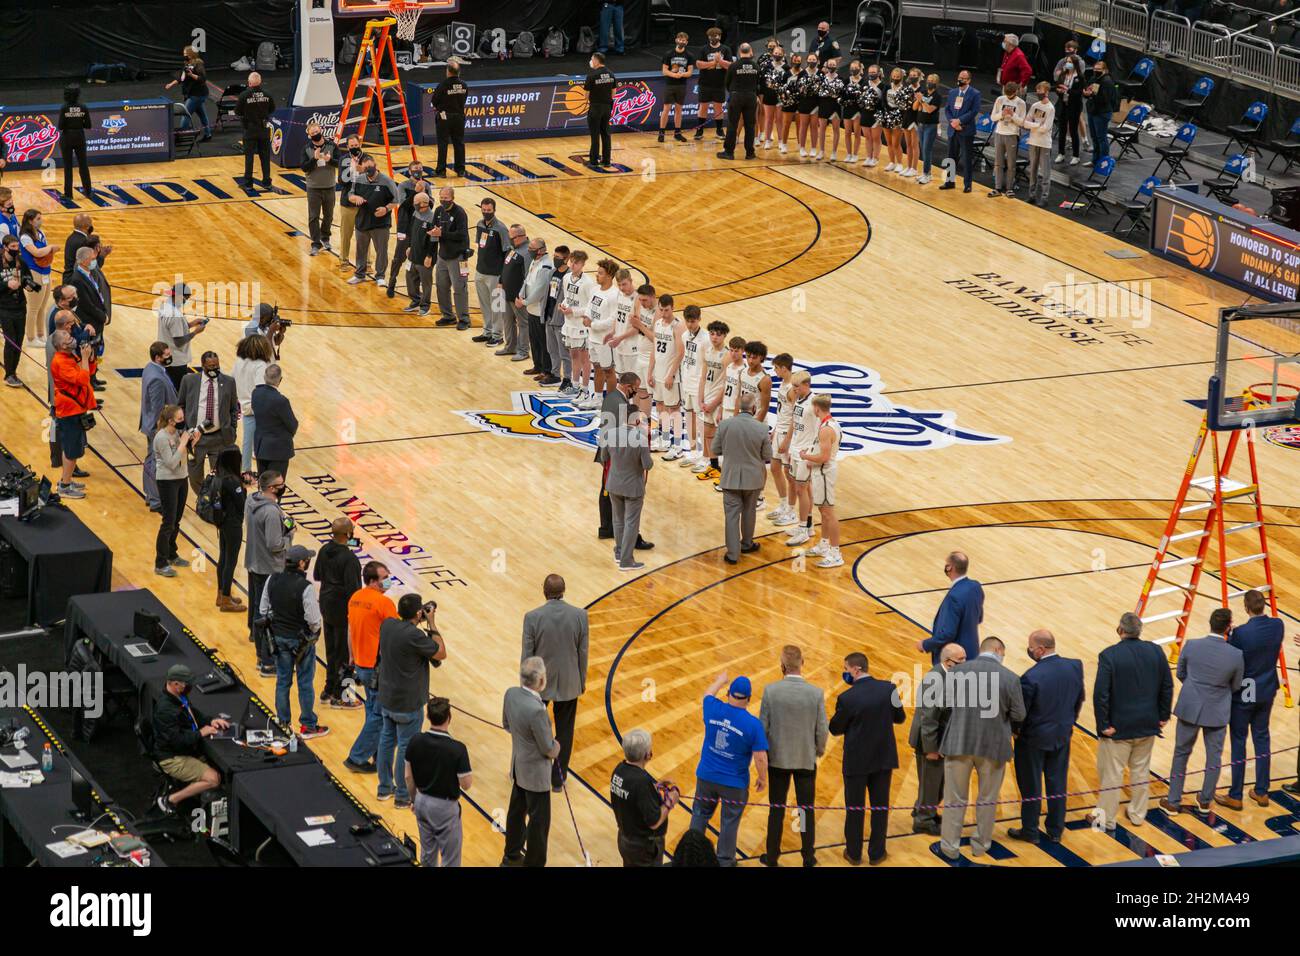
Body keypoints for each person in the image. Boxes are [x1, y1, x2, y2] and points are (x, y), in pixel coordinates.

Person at [938, 636, 1025, 860]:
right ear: (997, 650)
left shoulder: (957, 672)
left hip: (959, 742)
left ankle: (949, 847)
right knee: (987, 799)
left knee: (954, 799)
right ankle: (981, 845)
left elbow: (944, 703)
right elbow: (1019, 715)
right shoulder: (1011, 678)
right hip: (993, 746)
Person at [1091, 612, 1172, 830]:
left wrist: (1103, 725)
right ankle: (1137, 814)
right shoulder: (1156, 651)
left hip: (1118, 728)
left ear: (1120, 630)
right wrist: (1163, 716)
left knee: (1111, 775)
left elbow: (1101, 694)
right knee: (1141, 771)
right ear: (1140, 630)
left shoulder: (1109, 655)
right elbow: (1167, 685)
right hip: (1148, 724)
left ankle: (1106, 819)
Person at [1162, 608, 1245, 813]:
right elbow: (1237, 685)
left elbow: (1181, 673)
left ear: (1210, 623)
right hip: (1217, 710)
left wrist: (1193, 689)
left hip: (1190, 706)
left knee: (1181, 753)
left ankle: (1173, 801)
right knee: (1214, 757)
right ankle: (1205, 800)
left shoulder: (1192, 645)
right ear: (1228, 627)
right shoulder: (1236, 654)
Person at [1009, 629, 1085, 845]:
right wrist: (1069, 722)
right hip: (1062, 735)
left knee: (1031, 786)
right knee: (1057, 783)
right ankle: (1055, 830)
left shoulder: (1031, 677)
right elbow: (1079, 699)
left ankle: (1030, 830)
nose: (1029, 651)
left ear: (1040, 650)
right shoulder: (1074, 666)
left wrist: (1016, 731)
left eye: (1031, 647)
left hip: (1032, 740)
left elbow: (1020, 713)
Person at [830, 651, 905, 865]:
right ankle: (877, 853)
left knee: (855, 809)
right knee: (880, 808)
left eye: (845, 669)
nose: (844, 673)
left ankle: (853, 854)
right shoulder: (888, 689)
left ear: (856, 669)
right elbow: (899, 718)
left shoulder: (847, 698)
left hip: (856, 762)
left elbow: (835, 729)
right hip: (883, 759)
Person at [758, 645, 828, 867]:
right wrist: (817, 750)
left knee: (776, 810)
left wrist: (767, 754)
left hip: (778, 760)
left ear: (782, 666)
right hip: (805, 760)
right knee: (806, 810)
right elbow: (822, 730)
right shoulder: (816, 693)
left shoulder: (770, 691)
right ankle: (808, 855)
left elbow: (763, 728)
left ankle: (772, 857)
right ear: (802, 663)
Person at [689, 672, 767, 866]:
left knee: (699, 815)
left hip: (706, 777)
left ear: (728, 693)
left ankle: (691, 855)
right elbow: (760, 757)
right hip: (735, 784)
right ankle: (724, 860)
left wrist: (719, 681)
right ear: (749, 699)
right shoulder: (753, 725)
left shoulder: (712, 708)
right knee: (729, 822)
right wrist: (762, 778)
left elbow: (707, 695)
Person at [520, 574, 589, 790]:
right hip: (569, 681)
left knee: (530, 728)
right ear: (564, 590)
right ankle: (558, 780)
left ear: (544, 591)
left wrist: (524, 687)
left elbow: (527, 655)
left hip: (539, 684)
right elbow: (583, 652)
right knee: (565, 731)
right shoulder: (580, 615)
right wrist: (581, 680)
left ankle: (523, 772)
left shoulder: (532, 617)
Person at [377, 593, 445, 808]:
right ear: (418, 613)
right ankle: (402, 796)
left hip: (386, 696)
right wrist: (432, 623)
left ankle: (384, 789)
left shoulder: (387, 625)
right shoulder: (415, 637)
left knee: (387, 741)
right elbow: (440, 654)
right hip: (407, 702)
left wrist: (417, 620)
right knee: (406, 748)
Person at [1224, 590, 1284, 809]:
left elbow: (1232, 658)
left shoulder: (1240, 633)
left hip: (1245, 692)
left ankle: (1236, 795)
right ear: (1264, 605)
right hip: (1267, 689)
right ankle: (1261, 791)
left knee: (1239, 740)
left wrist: (1229, 636)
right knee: (1262, 738)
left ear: (1246, 608)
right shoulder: (1278, 625)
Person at [261, 544, 329, 738]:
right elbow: (314, 621)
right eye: (307, 559)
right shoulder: (305, 587)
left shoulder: (272, 578)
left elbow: (263, 609)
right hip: (301, 641)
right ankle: (308, 725)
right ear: (301, 563)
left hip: (279, 638)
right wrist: (312, 633)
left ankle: (283, 723)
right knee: (305, 682)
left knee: (282, 681)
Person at [502, 656, 561, 866]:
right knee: (539, 824)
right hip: (536, 777)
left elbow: (506, 725)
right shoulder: (537, 710)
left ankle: (511, 855)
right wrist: (558, 747)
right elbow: (548, 749)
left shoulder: (510, 694)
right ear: (542, 680)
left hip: (518, 768)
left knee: (516, 814)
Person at [343, 561, 398, 773]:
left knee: (372, 709)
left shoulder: (355, 597)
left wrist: (351, 656)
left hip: (361, 665)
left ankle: (377, 756)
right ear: (374, 581)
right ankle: (356, 757)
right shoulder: (384, 603)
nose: (389, 578)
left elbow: (351, 629)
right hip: (378, 667)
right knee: (379, 715)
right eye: (385, 576)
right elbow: (394, 636)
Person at [404, 696, 472, 866]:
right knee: (450, 859)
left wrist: (413, 799)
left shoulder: (415, 740)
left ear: (428, 717)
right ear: (449, 718)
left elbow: (407, 776)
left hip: (421, 801)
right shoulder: (458, 748)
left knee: (427, 854)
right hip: (444, 808)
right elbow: (466, 784)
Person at [152, 664, 226, 815]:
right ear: (174, 683)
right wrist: (201, 733)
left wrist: (210, 721)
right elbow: (177, 740)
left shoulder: (178, 696)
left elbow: (193, 713)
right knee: (214, 778)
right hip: (172, 758)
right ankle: (170, 800)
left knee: (217, 767)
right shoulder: (166, 710)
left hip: (184, 750)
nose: (189, 686)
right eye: (185, 683)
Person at [909, 642, 966, 835]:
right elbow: (929, 718)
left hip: (939, 740)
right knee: (932, 783)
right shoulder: (935, 679)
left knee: (935, 783)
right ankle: (923, 821)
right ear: (948, 662)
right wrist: (931, 748)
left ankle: (923, 810)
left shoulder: (948, 675)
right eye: (961, 660)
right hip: (929, 742)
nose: (965, 663)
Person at [713, 391, 773, 564]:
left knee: (731, 516)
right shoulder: (761, 428)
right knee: (749, 512)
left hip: (730, 477)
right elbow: (767, 454)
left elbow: (715, 449)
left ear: (739, 408)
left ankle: (732, 554)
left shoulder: (724, 425)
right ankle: (747, 544)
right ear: (754, 408)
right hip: (753, 479)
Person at [245, 470, 294, 676]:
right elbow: (275, 545)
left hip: (253, 561)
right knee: (267, 614)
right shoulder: (272, 512)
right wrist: (289, 534)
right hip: (269, 567)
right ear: (272, 488)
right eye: (281, 484)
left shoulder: (251, 500)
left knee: (257, 610)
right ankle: (267, 662)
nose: (284, 486)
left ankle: (259, 655)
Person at [314, 516, 363, 709]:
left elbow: (317, 575)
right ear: (348, 534)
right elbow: (354, 590)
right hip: (343, 607)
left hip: (326, 603)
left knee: (331, 650)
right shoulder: (350, 558)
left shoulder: (324, 550)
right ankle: (342, 695)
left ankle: (328, 688)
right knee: (346, 653)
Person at [610, 728, 678, 866]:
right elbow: (654, 822)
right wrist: (671, 801)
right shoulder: (641, 782)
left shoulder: (619, 769)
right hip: (642, 846)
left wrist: (654, 787)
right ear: (648, 755)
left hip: (625, 838)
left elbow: (631, 794)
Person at [177, 351, 238, 495]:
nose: (214, 369)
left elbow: (233, 409)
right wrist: (184, 430)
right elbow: (181, 406)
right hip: (196, 437)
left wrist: (232, 429)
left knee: (220, 475)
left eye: (216, 365)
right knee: (195, 475)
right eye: (211, 366)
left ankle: (214, 500)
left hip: (219, 437)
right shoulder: (189, 380)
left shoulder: (229, 382)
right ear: (203, 365)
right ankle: (202, 498)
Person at [604, 407, 653, 571]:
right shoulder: (640, 438)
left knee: (618, 520)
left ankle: (619, 553)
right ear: (637, 420)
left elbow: (604, 457)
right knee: (631, 523)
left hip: (614, 484)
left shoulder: (610, 434)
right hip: (633, 487)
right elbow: (648, 465)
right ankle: (626, 561)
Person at [49, 328, 96, 499]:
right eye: (68, 337)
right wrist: (84, 358)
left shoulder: (69, 357)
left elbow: (87, 372)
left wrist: (89, 359)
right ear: (62, 345)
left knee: (73, 448)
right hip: (69, 411)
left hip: (77, 408)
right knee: (71, 450)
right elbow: (83, 380)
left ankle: (66, 479)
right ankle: (65, 486)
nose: (72, 338)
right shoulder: (61, 362)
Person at [151, 404, 197, 577]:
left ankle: (171, 553)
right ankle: (160, 563)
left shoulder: (177, 434)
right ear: (170, 421)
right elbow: (170, 463)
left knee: (176, 520)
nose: (182, 422)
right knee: (168, 522)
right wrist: (183, 443)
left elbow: (186, 455)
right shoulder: (161, 438)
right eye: (179, 419)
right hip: (167, 481)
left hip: (181, 477)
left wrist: (193, 442)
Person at [799, 393, 843, 568]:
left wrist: (806, 457)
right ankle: (824, 544)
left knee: (828, 513)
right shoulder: (831, 424)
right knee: (824, 512)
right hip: (823, 471)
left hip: (825, 472)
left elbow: (824, 457)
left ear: (817, 408)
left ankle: (835, 553)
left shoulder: (826, 429)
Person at [918, 550, 983, 662]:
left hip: (955, 658)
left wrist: (925, 644)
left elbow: (948, 633)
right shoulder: (975, 586)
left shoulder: (954, 597)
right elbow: (979, 618)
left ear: (949, 568)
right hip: (973, 652)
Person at [137, 341, 178, 511]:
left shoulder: (150, 368)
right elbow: (157, 409)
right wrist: (161, 432)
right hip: (157, 427)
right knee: (156, 463)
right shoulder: (157, 379)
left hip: (149, 423)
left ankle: (150, 494)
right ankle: (155, 500)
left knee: (150, 460)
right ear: (157, 357)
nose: (170, 358)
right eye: (167, 356)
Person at [347, 154, 400, 286]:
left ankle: (380, 276)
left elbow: (396, 200)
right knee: (361, 250)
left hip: (380, 224)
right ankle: (359, 274)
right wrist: (355, 198)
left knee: (381, 250)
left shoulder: (387, 181)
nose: (368, 169)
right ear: (362, 168)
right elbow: (350, 195)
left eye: (370, 166)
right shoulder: (359, 179)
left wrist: (386, 209)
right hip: (362, 221)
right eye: (366, 168)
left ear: (375, 165)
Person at [212, 449, 249, 613]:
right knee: (231, 561)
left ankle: (221, 594)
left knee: (223, 557)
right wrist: (244, 487)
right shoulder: (232, 481)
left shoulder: (218, 476)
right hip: (233, 523)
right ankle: (226, 599)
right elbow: (242, 504)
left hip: (222, 521)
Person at [471, 198, 510, 347]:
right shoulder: (480, 224)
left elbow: (507, 252)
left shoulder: (501, 228)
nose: (486, 213)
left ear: (494, 210)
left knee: (497, 306)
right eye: (484, 210)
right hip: (480, 271)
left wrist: (502, 278)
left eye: (489, 210)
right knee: (485, 304)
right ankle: (487, 332)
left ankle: (498, 335)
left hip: (495, 274)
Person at [386, 162, 428, 296]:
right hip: (404, 227)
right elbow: (403, 204)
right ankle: (391, 283)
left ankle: (416, 288)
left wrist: (423, 194)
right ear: (410, 172)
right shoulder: (403, 186)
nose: (418, 171)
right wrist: (417, 193)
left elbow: (430, 204)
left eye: (420, 169)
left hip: (420, 227)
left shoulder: (426, 185)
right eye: (415, 169)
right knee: (399, 257)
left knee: (418, 259)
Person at [432, 187, 471, 330]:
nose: (443, 200)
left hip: (459, 257)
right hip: (442, 255)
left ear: (452, 198)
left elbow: (461, 234)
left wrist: (442, 234)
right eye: (441, 197)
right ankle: (448, 316)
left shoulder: (460, 213)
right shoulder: (438, 211)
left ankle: (464, 319)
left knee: (460, 288)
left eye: (446, 198)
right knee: (441, 287)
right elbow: (434, 229)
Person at [232, 334, 272, 473]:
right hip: (256, 406)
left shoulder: (239, 361)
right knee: (254, 441)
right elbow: (261, 389)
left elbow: (232, 380)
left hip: (242, 403)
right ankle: (247, 470)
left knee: (248, 440)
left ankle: (246, 469)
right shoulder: (260, 365)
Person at [155, 282, 206, 391]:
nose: (185, 301)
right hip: (176, 361)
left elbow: (171, 329)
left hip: (166, 356)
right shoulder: (175, 315)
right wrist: (196, 332)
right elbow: (178, 341)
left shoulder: (165, 306)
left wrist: (190, 324)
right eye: (185, 298)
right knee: (178, 393)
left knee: (168, 390)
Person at [251, 363, 297, 480]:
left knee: (263, 486)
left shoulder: (255, 393)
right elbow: (293, 425)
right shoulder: (281, 401)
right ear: (280, 380)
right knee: (275, 489)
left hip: (260, 446)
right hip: (278, 450)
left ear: (264, 377)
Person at [300, 122, 339, 256]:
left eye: (317, 131)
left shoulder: (332, 146)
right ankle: (315, 243)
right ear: (309, 135)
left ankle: (325, 238)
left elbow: (340, 163)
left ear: (321, 130)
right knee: (313, 217)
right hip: (313, 188)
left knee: (329, 216)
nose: (316, 134)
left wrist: (330, 160)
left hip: (329, 186)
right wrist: (314, 159)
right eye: (313, 133)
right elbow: (304, 167)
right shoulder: (306, 148)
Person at [521, 236, 556, 380]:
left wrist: (525, 302)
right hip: (531, 308)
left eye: (532, 249)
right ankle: (537, 365)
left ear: (541, 250)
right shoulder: (535, 261)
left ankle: (546, 370)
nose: (529, 251)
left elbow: (540, 290)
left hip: (539, 309)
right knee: (534, 339)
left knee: (543, 341)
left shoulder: (546, 266)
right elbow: (527, 280)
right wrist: (521, 295)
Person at [940, 70, 981, 192]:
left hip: (966, 130)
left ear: (968, 80)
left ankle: (967, 184)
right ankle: (949, 182)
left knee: (967, 158)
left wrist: (959, 121)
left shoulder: (975, 93)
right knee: (951, 157)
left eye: (963, 78)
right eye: (959, 77)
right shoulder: (952, 92)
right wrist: (952, 122)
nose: (960, 80)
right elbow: (947, 109)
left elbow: (974, 111)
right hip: (953, 129)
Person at [718, 42, 759, 161]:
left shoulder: (734, 66)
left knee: (732, 124)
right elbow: (758, 83)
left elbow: (727, 83)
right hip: (751, 96)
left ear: (740, 52)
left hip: (736, 96)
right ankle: (750, 153)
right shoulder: (756, 66)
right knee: (750, 126)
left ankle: (729, 152)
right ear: (750, 51)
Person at [18, 209, 53, 346]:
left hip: (46, 272)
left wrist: (49, 250)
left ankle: (40, 334)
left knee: (42, 306)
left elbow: (45, 252)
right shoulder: (25, 237)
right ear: (30, 221)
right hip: (34, 273)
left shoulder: (41, 233)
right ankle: (31, 338)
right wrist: (51, 248)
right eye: (38, 218)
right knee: (33, 308)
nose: (41, 220)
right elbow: (37, 253)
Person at [0, 234, 32, 387]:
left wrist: (30, 285)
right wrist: (7, 285)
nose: (16, 250)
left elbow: (27, 278)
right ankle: (9, 374)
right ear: (5, 247)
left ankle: (14, 371)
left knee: (19, 341)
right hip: (4, 307)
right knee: (11, 340)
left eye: (17, 247)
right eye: (13, 247)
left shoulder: (21, 262)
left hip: (20, 306)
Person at [235, 72, 276, 188]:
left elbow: (237, 111)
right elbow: (272, 108)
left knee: (249, 157)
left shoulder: (244, 95)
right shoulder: (267, 95)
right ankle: (267, 181)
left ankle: (248, 183)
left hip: (249, 129)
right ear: (260, 82)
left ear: (249, 83)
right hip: (264, 129)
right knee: (265, 156)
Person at [431, 60, 468, 178]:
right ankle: (460, 169)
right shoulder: (464, 85)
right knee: (459, 143)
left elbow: (434, 101)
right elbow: (464, 98)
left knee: (443, 143)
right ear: (459, 72)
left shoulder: (443, 85)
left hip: (445, 117)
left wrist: (440, 107)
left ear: (448, 72)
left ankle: (441, 171)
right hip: (459, 117)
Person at [165, 47, 211, 140]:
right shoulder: (187, 64)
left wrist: (191, 75)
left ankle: (181, 137)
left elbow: (202, 79)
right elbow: (181, 78)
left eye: (186, 53)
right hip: (193, 93)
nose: (184, 55)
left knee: (185, 114)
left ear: (191, 54)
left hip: (198, 94)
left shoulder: (198, 64)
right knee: (202, 114)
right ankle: (208, 134)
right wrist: (171, 84)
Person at [989, 81, 1026, 197]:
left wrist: (1012, 115)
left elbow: (1022, 122)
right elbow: (993, 117)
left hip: (1012, 134)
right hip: (999, 133)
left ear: (1016, 92)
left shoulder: (1021, 103)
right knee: (998, 163)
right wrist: (1002, 113)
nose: (1009, 96)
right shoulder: (1000, 99)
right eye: (1007, 94)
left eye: (1011, 94)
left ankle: (1009, 188)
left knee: (1011, 164)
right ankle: (997, 188)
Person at [1053, 40, 1086, 165]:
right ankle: (1061, 153)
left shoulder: (1079, 78)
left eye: (1070, 63)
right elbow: (1057, 86)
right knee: (1061, 129)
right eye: (1067, 63)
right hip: (1063, 104)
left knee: (1072, 130)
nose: (1067, 64)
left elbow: (1079, 92)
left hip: (1074, 105)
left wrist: (1069, 91)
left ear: (1075, 64)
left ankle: (1076, 155)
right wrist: (1059, 91)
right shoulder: (1063, 75)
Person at [694, 27, 732, 140]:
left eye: (716, 35)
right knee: (703, 107)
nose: (713, 37)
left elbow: (730, 65)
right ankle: (699, 130)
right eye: (711, 36)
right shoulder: (704, 49)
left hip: (719, 84)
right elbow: (699, 64)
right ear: (708, 37)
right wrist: (714, 62)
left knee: (718, 107)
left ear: (719, 36)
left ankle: (719, 130)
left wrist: (720, 61)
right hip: (705, 83)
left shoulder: (726, 49)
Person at [1023, 81, 1056, 205]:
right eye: (1037, 90)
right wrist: (1036, 125)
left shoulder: (1050, 108)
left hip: (1044, 143)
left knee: (1045, 171)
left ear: (1047, 92)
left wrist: (1033, 125)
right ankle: (1031, 195)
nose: (1038, 92)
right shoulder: (1035, 105)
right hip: (1033, 141)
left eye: (1040, 90)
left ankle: (1044, 197)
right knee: (1033, 170)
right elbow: (1025, 123)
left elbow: (1045, 128)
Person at [56, 85, 92, 199]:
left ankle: (68, 194)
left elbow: (60, 126)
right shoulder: (83, 107)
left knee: (68, 167)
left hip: (67, 138)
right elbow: (88, 125)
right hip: (80, 137)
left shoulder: (64, 108)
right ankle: (88, 192)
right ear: (78, 94)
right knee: (83, 166)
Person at [404, 192, 437, 317]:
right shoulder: (415, 213)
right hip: (413, 253)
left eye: (416, 202)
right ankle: (415, 300)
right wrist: (409, 246)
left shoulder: (432, 218)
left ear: (424, 203)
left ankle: (425, 306)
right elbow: (412, 231)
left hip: (425, 257)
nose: (414, 204)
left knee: (426, 282)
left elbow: (434, 240)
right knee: (410, 278)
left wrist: (429, 256)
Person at [658, 33, 693, 143]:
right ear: (676, 40)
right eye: (680, 39)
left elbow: (690, 72)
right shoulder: (669, 54)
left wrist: (682, 75)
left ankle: (677, 133)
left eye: (684, 40)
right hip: (670, 85)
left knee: (679, 110)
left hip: (681, 85)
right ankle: (661, 133)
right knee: (666, 109)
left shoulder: (689, 55)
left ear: (686, 42)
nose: (682, 41)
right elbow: (664, 71)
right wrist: (674, 75)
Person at [584, 52, 616, 168]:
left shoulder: (592, 76)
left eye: (592, 59)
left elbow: (586, 95)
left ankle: (593, 161)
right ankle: (606, 160)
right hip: (607, 107)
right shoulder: (611, 74)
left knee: (595, 135)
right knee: (606, 134)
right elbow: (614, 93)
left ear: (597, 61)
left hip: (595, 108)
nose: (591, 62)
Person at [1082, 60, 1117, 161]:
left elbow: (1105, 100)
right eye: (1095, 69)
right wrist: (1086, 93)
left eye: (1099, 69)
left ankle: (1103, 161)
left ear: (1105, 70)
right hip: (1092, 111)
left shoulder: (1107, 81)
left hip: (1102, 113)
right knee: (1094, 137)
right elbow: (1087, 89)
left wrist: (1091, 94)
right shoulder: (1094, 78)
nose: (1096, 71)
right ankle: (1095, 160)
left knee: (1101, 138)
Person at [336, 135, 363, 268]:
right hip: (347, 202)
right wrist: (351, 170)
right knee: (346, 234)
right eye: (351, 146)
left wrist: (362, 170)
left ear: (360, 144)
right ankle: (344, 260)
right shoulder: (344, 159)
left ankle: (365, 263)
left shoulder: (367, 158)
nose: (354, 148)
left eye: (355, 145)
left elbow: (374, 176)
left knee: (364, 235)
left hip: (364, 203)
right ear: (347, 147)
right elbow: (341, 181)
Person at [915, 73, 943, 183]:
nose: (929, 82)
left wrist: (922, 100)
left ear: (936, 83)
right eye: (928, 79)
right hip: (921, 124)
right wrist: (918, 100)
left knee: (927, 150)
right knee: (923, 149)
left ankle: (927, 174)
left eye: (932, 80)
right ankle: (925, 173)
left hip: (930, 126)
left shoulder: (937, 96)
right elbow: (916, 108)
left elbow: (930, 109)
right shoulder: (924, 92)